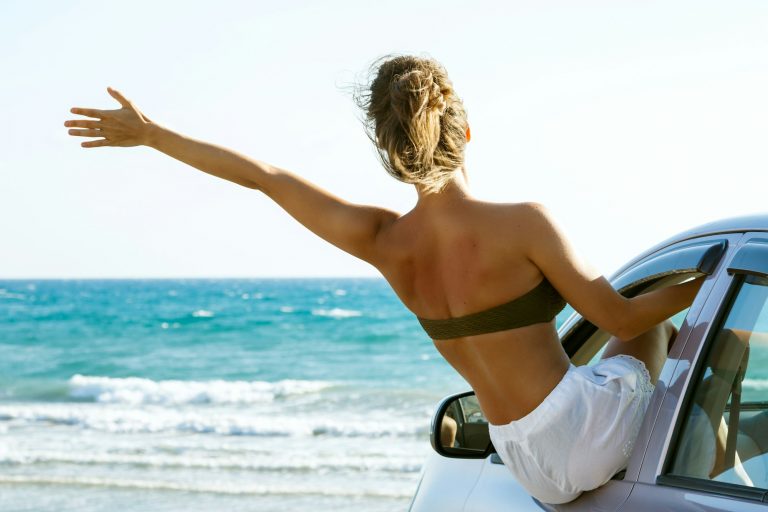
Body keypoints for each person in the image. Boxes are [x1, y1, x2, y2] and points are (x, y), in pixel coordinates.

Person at [64, 55, 702, 504]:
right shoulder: (525, 224)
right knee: (659, 323)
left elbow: (263, 176)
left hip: (523, 461)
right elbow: (620, 319)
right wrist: (706, 281)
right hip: (579, 430)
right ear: (467, 132)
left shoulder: (384, 243)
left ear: (390, 151)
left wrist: (150, 135)